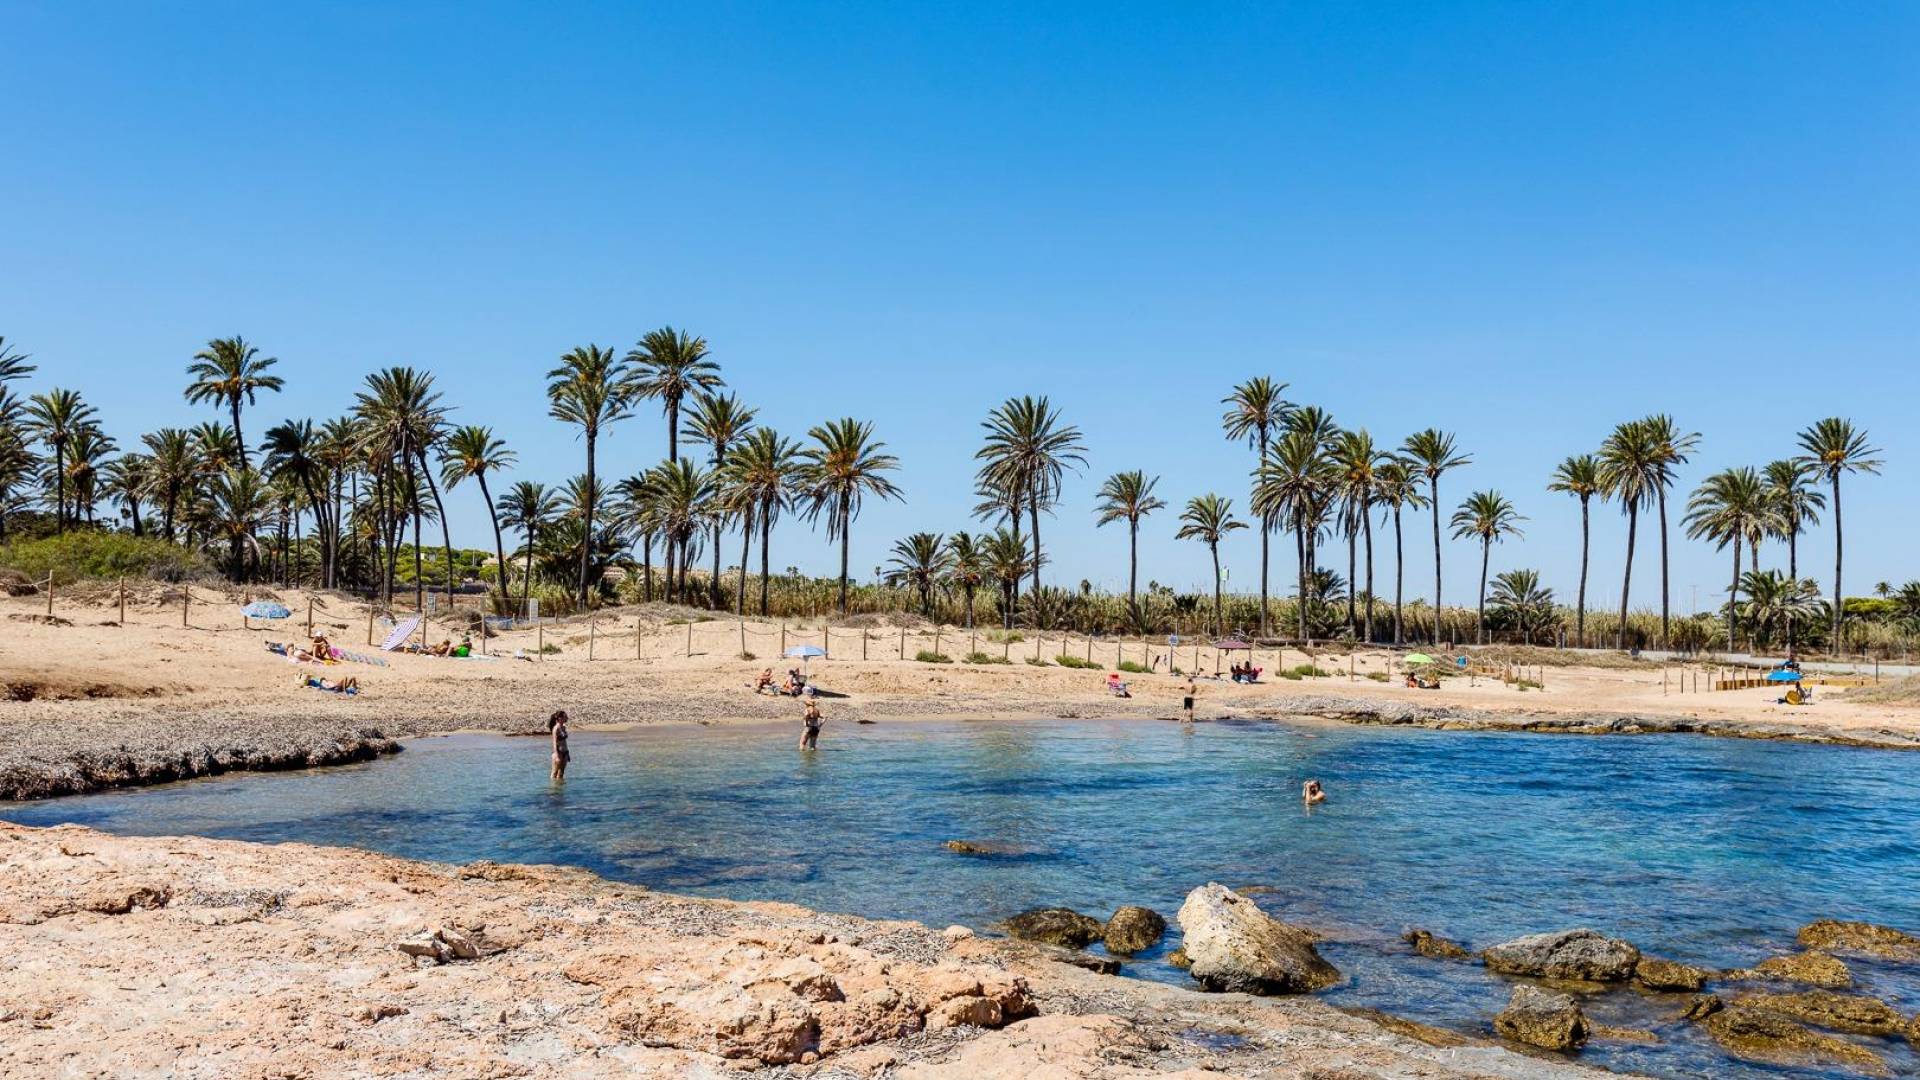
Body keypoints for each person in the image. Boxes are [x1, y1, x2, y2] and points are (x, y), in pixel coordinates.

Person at [549, 710, 570, 781]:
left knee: (561, 773)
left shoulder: (563, 727)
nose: (567, 718)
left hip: (565, 752)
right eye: (565, 717)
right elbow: (554, 742)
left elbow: (564, 741)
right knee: (554, 773)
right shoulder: (555, 729)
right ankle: (553, 789)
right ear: (560, 718)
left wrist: (567, 753)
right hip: (558, 753)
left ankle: (560, 789)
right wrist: (557, 755)